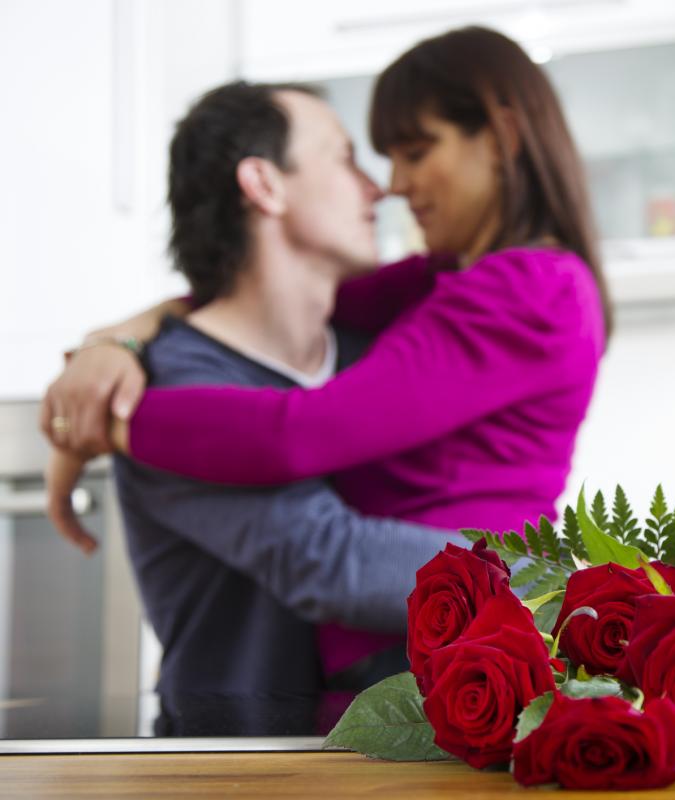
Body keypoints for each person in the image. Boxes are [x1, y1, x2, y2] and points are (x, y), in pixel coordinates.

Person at [42, 26, 610, 709]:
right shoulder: (434, 285)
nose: (389, 186)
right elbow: (237, 299)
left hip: (450, 648)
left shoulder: (531, 288)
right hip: (382, 667)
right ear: (263, 186)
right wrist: (120, 341)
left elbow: (298, 435)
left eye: (416, 151)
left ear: (502, 137)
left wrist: (108, 421)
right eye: (358, 160)